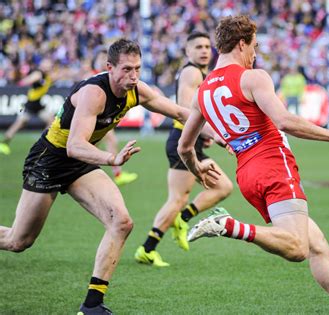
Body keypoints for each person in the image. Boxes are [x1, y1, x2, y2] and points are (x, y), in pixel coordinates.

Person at [178, 16, 329, 315]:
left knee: (316, 244)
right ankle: (230, 226)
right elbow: (285, 121)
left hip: (247, 175)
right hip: (272, 163)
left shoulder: (203, 92)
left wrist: (196, 169)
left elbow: (184, 146)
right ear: (242, 44)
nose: (255, 53)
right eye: (254, 45)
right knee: (297, 248)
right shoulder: (253, 77)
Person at [0, 39, 191, 315]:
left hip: (80, 164)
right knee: (19, 241)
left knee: (122, 222)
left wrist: (223, 134)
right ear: (109, 67)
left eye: (137, 68)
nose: (133, 76)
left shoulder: (136, 89)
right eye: (126, 69)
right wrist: (111, 159)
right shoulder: (94, 92)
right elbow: (74, 145)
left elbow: (179, 113)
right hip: (50, 161)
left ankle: (92, 305)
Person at [134, 32, 233, 267]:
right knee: (177, 199)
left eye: (208, 46)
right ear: (187, 51)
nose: (204, 50)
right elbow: (185, 109)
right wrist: (215, 135)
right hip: (183, 141)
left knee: (222, 186)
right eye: (198, 46)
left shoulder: (200, 73)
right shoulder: (191, 71)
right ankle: (147, 249)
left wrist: (203, 134)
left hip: (191, 140)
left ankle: (182, 219)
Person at [89, 48, 139, 186]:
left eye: (105, 59)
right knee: (99, 143)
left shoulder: (110, 78)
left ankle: (116, 174)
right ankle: (116, 174)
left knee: (101, 143)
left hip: (100, 119)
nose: (102, 61)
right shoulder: (91, 78)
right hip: (93, 119)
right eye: (100, 58)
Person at [0, 58, 56, 155]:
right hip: (31, 103)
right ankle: (4, 142)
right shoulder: (39, 74)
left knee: (51, 121)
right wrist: (22, 81)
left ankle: (42, 143)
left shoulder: (47, 76)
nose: (48, 66)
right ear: (42, 65)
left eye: (49, 64)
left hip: (38, 104)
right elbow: (27, 80)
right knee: (20, 123)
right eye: (47, 63)